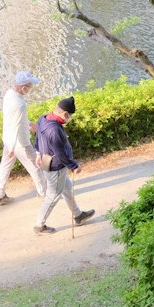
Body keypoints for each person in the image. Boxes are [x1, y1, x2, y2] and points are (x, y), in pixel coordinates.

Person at [33, 96, 94, 235]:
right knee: (52, 196)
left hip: (45, 160)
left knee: (66, 188)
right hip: (56, 166)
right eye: (70, 116)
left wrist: (37, 153)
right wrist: (74, 166)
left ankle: (78, 215)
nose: (69, 118)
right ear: (65, 114)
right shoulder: (55, 130)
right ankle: (39, 225)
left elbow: (37, 137)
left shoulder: (43, 118)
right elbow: (60, 154)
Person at [0, 70, 45, 204]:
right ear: (23, 87)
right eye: (29, 86)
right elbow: (16, 125)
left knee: (5, 166)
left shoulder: (9, 95)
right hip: (20, 143)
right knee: (36, 166)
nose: (30, 89)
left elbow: (13, 119)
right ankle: (44, 192)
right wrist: (12, 148)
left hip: (9, 139)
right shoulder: (20, 104)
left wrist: (28, 124)